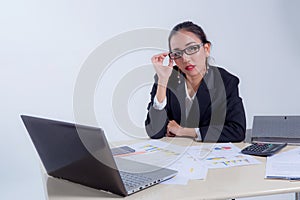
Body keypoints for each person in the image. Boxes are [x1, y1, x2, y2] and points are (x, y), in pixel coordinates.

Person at [145, 21, 246, 142]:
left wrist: (184, 131)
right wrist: (162, 81)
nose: (185, 59)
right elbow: (154, 131)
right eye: (177, 53)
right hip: (175, 154)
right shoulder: (166, 78)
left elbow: (237, 131)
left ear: (206, 49)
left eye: (192, 48)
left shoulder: (225, 81)